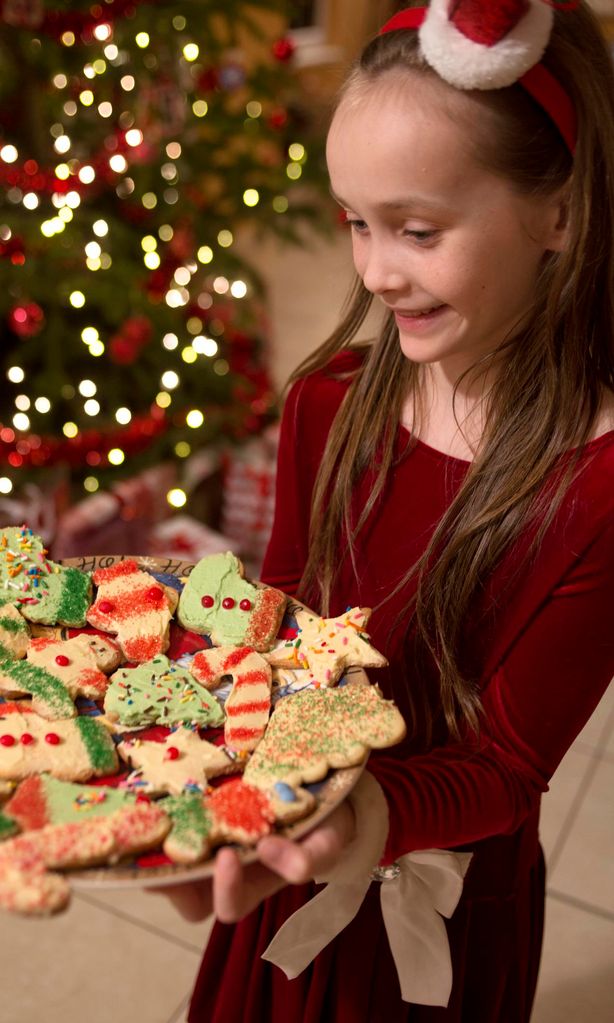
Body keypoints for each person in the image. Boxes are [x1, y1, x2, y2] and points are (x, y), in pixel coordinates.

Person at [166, 3, 614, 1020]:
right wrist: (218, 744)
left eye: (415, 230)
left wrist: (356, 817)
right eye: (355, 224)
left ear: (560, 214)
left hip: (445, 904)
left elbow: (504, 764)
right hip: (284, 850)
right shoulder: (327, 398)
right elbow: (283, 617)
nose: (374, 270)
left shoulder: (594, 486)